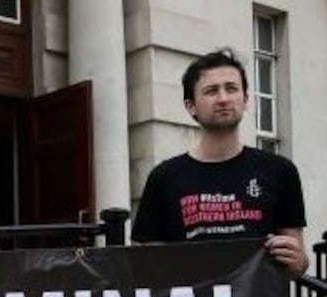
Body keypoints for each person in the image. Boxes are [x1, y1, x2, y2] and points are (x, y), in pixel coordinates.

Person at [131, 48, 308, 276]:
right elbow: (146, 265)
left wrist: (297, 260)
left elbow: (298, 262)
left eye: (231, 89)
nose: (223, 98)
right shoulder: (164, 177)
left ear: (245, 100)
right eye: (211, 91)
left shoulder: (280, 171)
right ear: (190, 106)